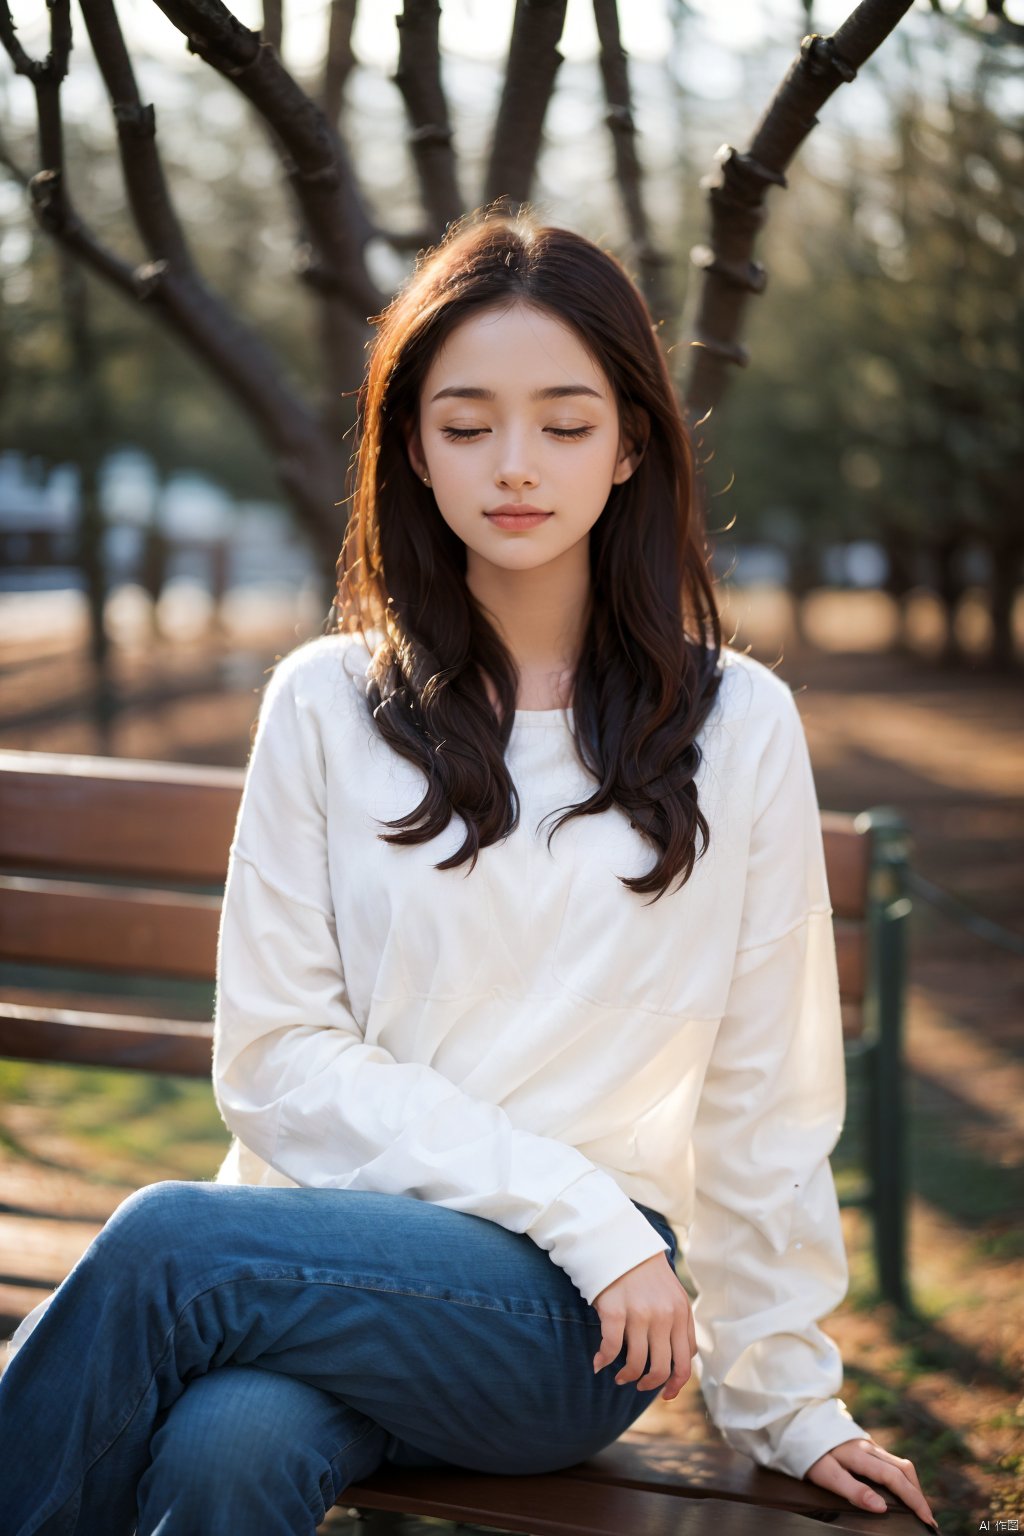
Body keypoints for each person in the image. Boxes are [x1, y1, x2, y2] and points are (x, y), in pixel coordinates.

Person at [0, 207, 938, 1536]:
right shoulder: (325, 704)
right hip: (317, 1262)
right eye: (465, 423)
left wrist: (786, 1401)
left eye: (563, 423)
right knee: (224, 1457)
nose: (515, 464)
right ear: (412, 452)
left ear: (630, 448)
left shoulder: (738, 729)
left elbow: (764, 1099)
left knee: (163, 1241)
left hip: (569, 1313)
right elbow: (272, 1057)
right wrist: (575, 1203)